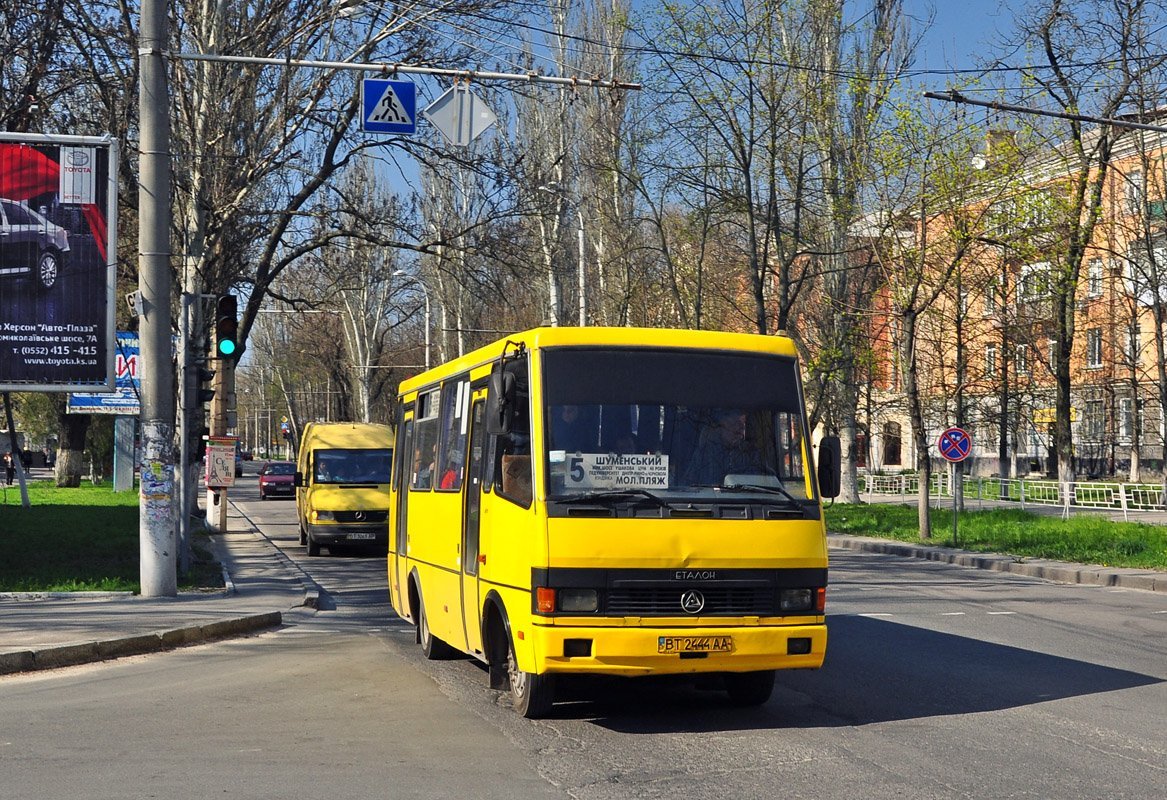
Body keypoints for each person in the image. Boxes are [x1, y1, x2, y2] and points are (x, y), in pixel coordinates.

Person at [683, 409, 765, 486]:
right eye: (736, 422)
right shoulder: (704, 454)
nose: (741, 427)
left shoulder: (751, 454)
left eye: (743, 423)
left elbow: (765, 482)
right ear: (722, 425)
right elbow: (688, 485)